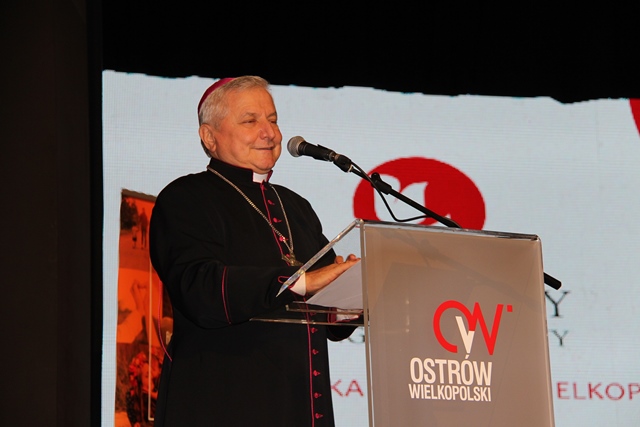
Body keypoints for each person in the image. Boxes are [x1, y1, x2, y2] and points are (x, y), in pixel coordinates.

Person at [149, 75, 360, 426]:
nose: (270, 133)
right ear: (209, 137)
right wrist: (298, 282)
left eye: (273, 120)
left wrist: (355, 294)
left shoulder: (296, 207)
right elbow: (199, 289)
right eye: (251, 121)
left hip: (301, 409)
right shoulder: (184, 199)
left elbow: (332, 319)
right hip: (223, 406)